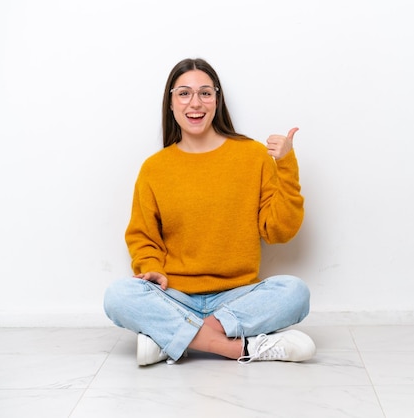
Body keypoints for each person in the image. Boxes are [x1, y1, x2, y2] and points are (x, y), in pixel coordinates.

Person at [103, 58, 315, 366]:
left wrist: (285, 165)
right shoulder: (155, 168)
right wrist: (152, 267)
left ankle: (171, 339)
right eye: (184, 93)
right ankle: (237, 348)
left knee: (295, 292)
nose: (195, 103)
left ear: (217, 100)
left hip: (237, 296)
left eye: (205, 93)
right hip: (175, 296)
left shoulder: (252, 155)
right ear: (171, 103)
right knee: (118, 295)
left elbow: (279, 231)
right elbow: (143, 236)